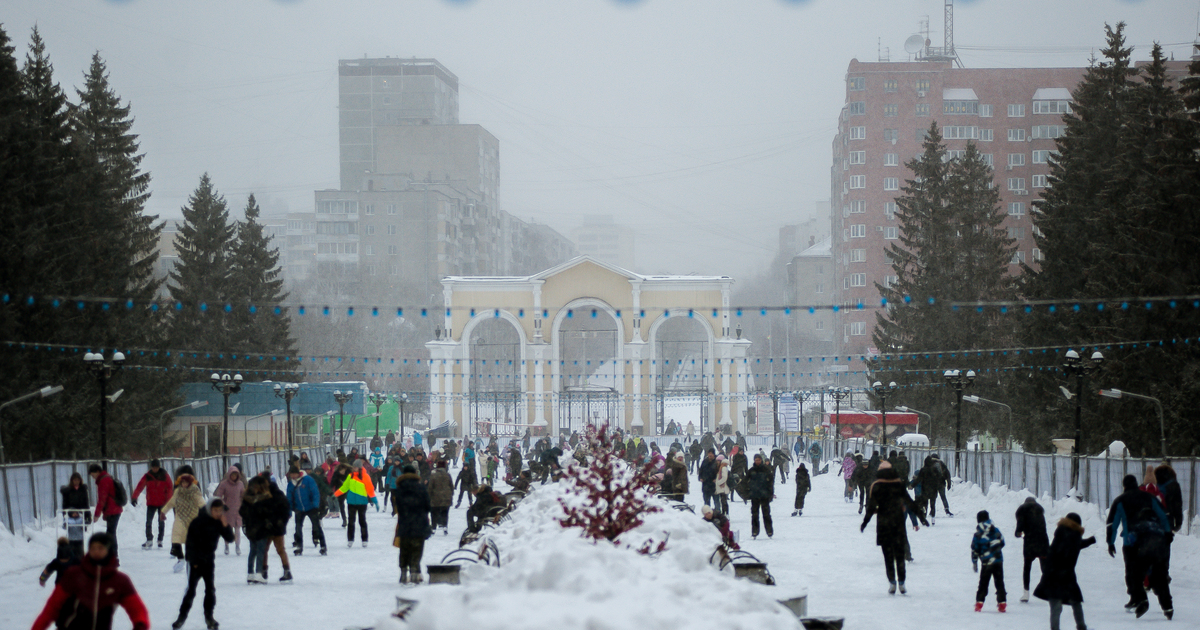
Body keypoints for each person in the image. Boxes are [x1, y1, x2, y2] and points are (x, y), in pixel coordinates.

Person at [31, 532, 150, 630]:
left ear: (109, 551)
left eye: (100, 548)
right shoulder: (74, 575)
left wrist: (140, 624)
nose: (96, 551)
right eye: (93, 548)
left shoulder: (119, 581)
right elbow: (52, 607)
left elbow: (136, 607)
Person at [1105, 474, 1169, 616]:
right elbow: (1163, 515)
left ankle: (1139, 599)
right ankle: (1163, 603)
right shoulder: (1149, 497)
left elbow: (1112, 523)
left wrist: (1110, 542)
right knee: (1153, 570)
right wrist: (1167, 533)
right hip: (1152, 540)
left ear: (1124, 486)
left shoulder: (1120, 500)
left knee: (1132, 572)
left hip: (1131, 541)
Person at [861, 460, 927, 595]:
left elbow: (871, 506)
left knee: (888, 556)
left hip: (884, 524)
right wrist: (921, 517)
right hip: (898, 523)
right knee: (899, 555)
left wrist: (865, 522)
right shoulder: (899, 485)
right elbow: (910, 503)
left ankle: (892, 581)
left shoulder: (877, 486)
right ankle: (902, 582)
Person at [170, 499, 235, 630]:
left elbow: (230, 539)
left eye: (220, 511)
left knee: (210, 590)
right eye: (215, 510)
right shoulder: (198, 521)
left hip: (209, 561)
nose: (218, 513)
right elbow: (190, 544)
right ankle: (181, 618)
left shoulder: (218, 523)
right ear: (210, 509)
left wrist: (225, 526)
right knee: (191, 590)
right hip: (195, 562)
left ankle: (209, 617)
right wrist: (193, 562)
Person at [1034, 513, 1096, 630]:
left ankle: (1057, 628)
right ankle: (1081, 626)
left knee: (1056, 606)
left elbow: (1072, 546)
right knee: (1075, 602)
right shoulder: (1074, 536)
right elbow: (1071, 546)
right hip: (1065, 575)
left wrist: (1089, 541)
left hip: (1053, 575)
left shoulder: (1063, 533)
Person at [393, 463, 432, 584]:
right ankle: (415, 572)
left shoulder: (399, 489)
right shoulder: (421, 488)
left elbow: (397, 507)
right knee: (417, 548)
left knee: (404, 549)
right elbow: (427, 506)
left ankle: (403, 572)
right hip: (419, 523)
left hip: (404, 523)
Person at [161, 473, 206, 573]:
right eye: (182, 482)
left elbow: (201, 502)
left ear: (189, 483)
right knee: (175, 537)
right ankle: (180, 558)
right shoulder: (178, 491)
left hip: (192, 518)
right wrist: (163, 511)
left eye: (186, 482)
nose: (184, 484)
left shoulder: (194, 491)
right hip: (180, 517)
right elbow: (172, 502)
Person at [335, 459, 379, 547]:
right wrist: (335, 495)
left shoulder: (365, 477)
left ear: (359, 468)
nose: (353, 468)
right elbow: (344, 487)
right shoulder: (350, 476)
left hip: (362, 502)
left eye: (355, 467)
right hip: (351, 502)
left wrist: (375, 501)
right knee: (351, 521)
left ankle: (364, 539)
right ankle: (350, 539)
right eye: (353, 467)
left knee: (362, 521)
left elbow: (370, 490)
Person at [1014, 496, 1049, 603]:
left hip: (1030, 543)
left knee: (1027, 568)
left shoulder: (1022, 512)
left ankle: (1026, 593)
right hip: (1043, 542)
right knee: (1045, 567)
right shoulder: (1040, 513)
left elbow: (1018, 531)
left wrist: (1018, 533)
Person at [971, 510, 1007, 613]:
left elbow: (975, 549)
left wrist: (975, 562)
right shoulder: (995, 530)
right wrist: (995, 550)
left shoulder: (978, 534)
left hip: (986, 563)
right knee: (999, 582)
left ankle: (979, 603)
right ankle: (1002, 603)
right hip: (998, 561)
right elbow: (1002, 542)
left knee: (983, 583)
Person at [131, 459, 172, 550]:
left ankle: (160, 540)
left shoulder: (165, 476)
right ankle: (149, 539)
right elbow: (140, 486)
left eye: (156, 467)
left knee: (161, 521)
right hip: (151, 503)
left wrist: (169, 501)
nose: (155, 469)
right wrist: (134, 497)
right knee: (148, 522)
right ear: (151, 467)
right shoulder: (147, 476)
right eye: (153, 467)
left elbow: (170, 488)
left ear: (159, 467)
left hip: (162, 503)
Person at [286, 466, 327, 555]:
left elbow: (315, 492)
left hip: (311, 507)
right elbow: (288, 498)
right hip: (299, 508)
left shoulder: (308, 479)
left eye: (294, 474)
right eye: (291, 474)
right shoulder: (290, 484)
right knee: (298, 528)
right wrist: (289, 511)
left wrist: (316, 505)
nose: (292, 476)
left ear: (298, 473)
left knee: (316, 526)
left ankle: (323, 546)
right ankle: (299, 546)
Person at [87, 464, 123, 558]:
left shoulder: (104, 481)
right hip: (113, 509)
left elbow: (102, 499)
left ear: (97, 472)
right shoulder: (106, 478)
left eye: (93, 474)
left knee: (110, 534)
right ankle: (112, 555)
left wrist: (97, 514)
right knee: (111, 533)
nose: (93, 477)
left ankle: (113, 556)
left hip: (113, 510)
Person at [212, 466, 245, 556]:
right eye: (232, 475)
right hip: (228, 510)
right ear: (229, 475)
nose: (234, 477)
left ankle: (237, 546)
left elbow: (243, 495)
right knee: (228, 529)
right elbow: (219, 496)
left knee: (238, 528)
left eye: (235, 475)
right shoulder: (224, 484)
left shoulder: (240, 484)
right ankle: (226, 546)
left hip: (238, 509)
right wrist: (223, 504)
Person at [60, 472, 91, 557]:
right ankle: (71, 555)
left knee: (80, 536)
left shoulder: (83, 490)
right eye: (74, 480)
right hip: (71, 515)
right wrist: (65, 515)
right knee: (71, 536)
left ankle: (80, 557)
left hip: (81, 515)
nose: (76, 482)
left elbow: (86, 503)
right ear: (72, 481)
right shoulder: (68, 491)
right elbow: (65, 504)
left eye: (78, 480)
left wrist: (88, 517)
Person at [746, 454, 774, 539]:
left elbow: (770, 483)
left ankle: (769, 531)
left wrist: (770, 493)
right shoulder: (751, 471)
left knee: (766, 514)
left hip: (764, 495)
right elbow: (746, 482)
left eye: (759, 460)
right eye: (756, 460)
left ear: (761, 460)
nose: (757, 461)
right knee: (754, 515)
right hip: (754, 495)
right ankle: (755, 531)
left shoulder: (766, 470)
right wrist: (748, 492)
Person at [428, 460, 454, 535]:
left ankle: (433, 528)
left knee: (434, 513)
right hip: (446, 497)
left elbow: (430, 487)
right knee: (445, 513)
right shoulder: (448, 475)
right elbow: (451, 486)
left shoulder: (433, 475)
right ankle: (445, 526)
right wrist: (451, 494)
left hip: (435, 498)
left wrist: (428, 496)